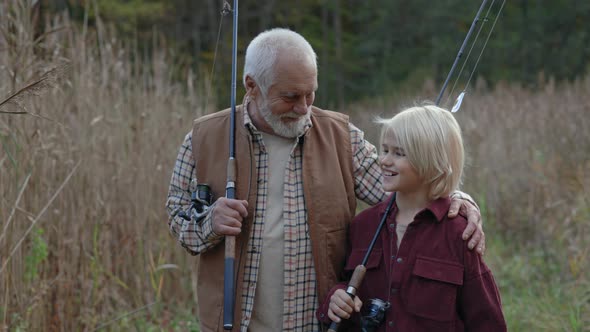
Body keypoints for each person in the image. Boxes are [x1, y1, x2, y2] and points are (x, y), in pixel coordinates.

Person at [166, 28, 485, 332]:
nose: (304, 107)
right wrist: (210, 222)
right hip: (234, 324)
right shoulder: (203, 137)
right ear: (252, 86)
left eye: (311, 94)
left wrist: (459, 199)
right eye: (291, 97)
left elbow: (407, 188)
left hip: (319, 323)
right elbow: (178, 221)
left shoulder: (342, 137)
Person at [317, 104, 506, 331]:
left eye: (398, 153)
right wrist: (336, 297)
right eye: (384, 150)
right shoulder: (363, 225)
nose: (384, 160)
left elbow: (487, 321)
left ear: (431, 162)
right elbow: (346, 285)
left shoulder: (459, 232)